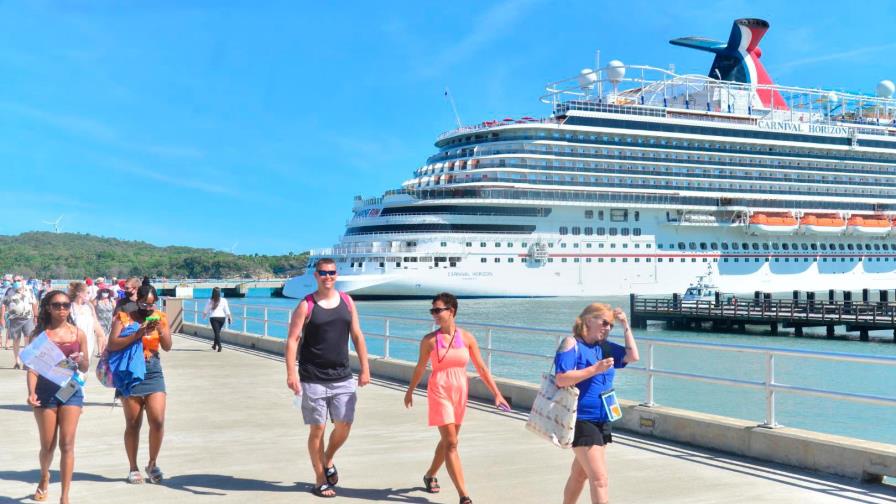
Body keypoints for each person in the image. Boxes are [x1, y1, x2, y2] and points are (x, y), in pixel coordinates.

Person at [404, 292, 510, 504]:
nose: (434, 314)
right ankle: (464, 496)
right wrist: (410, 391)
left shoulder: (467, 338)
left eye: (437, 310)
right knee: (452, 442)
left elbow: (481, 367)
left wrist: (496, 394)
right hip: (439, 390)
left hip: (460, 390)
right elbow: (419, 367)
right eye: (432, 310)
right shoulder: (429, 341)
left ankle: (430, 474)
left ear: (451, 311)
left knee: (447, 441)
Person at [284, 258, 370, 498]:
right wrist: (291, 372)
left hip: (343, 376)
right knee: (317, 430)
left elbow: (357, 335)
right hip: (312, 377)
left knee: (344, 425)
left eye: (332, 273)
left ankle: (328, 458)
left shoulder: (347, 301)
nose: (328, 277)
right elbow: (292, 340)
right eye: (323, 273)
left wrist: (365, 367)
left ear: (337, 275)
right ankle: (320, 479)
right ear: (316, 275)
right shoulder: (306, 305)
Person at [555, 303, 639, 504]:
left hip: (603, 416)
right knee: (600, 479)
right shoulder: (571, 344)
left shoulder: (605, 347)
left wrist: (625, 324)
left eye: (611, 325)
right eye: (604, 322)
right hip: (582, 418)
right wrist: (595, 369)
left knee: (580, 474)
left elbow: (632, 356)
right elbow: (561, 378)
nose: (608, 328)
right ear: (588, 320)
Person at [26, 290, 89, 503]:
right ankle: (44, 477)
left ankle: (65, 496)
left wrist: (80, 360)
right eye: (57, 305)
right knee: (48, 446)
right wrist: (31, 392)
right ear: (48, 308)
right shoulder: (40, 336)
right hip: (45, 393)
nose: (62, 308)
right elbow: (33, 368)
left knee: (68, 444)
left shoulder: (78, 334)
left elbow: (86, 365)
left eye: (65, 304)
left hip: (71, 390)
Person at [106, 279, 172, 484]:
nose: (148, 308)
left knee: (158, 421)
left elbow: (168, 346)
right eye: (144, 304)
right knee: (133, 424)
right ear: (138, 301)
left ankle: (152, 463)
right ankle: (133, 467)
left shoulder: (160, 317)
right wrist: (138, 333)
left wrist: (160, 330)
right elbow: (113, 344)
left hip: (153, 370)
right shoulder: (123, 317)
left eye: (152, 304)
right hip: (130, 373)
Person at [2, 275, 39, 369]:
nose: (16, 282)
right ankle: (17, 361)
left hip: (28, 318)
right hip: (14, 319)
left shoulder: (29, 290)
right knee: (16, 340)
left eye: (18, 280)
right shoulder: (9, 291)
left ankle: (26, 362)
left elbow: (34, 303)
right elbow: (3, 305)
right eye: (14, 281)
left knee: (28, 340)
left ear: (23, 281)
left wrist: (36, 316)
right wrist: (2, 317)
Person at [69, 282, 105, 361]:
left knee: (84, 368)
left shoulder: (89, 306)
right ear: (79, 293)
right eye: (87, 292)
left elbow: (95, 323)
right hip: (74, 343)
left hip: (89, 343)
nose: (89, 295)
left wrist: (102, 337)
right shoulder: (70, 307)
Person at [202, 287, 231, 352]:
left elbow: (205, 310)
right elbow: (227, 310)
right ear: (219, 292)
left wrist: (204, 316)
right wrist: (229, 317)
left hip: (213, 318)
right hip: (222, 318)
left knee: (216, 333)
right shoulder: (224, 300)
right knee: (217, 332)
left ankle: (220, 346)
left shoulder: (210, 300)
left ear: (213, 292)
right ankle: (214, 345)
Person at [93, 286, 115, 356]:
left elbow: (115, 310)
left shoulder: (111, 300)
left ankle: (104, 350)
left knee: (106, 337)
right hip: (99, 321)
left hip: (109, 321)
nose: (105, 293)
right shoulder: (96, 300)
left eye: (107, 292)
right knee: (100, 336)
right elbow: (92, 309)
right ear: (100, 293)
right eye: (103, 292)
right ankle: (100, 351)